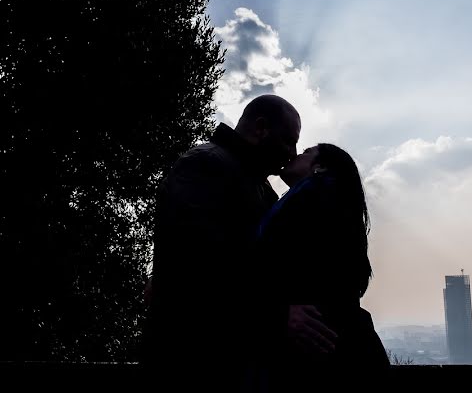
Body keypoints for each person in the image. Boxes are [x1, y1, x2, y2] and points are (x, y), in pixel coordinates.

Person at [145, 95, 337, 390]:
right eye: (288, 141)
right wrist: (277, 316)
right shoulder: (205, 164)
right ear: (261, 128)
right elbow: (195, 268)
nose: (292, 152)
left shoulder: (256, 185)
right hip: (195, 367)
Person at [256, 143, 390, 392]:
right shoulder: (321, 201)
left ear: (319, 167)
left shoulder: (316, 196)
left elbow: (279, 266)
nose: (295, 154)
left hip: (320, 345)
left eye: (306, 152)